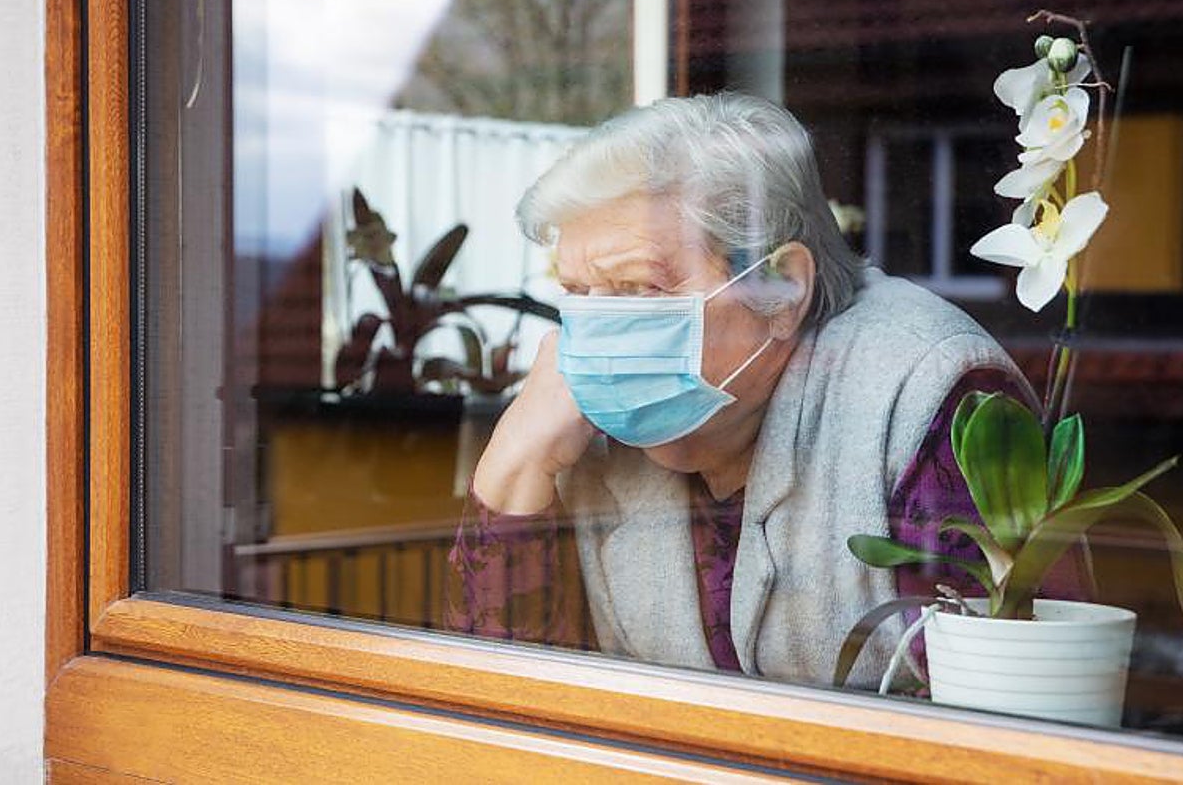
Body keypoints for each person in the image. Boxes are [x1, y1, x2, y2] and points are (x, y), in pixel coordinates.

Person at [444, 92, 1074, 687]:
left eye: (638, 289)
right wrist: (513, 465)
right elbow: (516, 713)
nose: (595, 334)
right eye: (578, 293)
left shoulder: (925, 392)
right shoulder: (584, 422)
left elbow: (1010, 712)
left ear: (780, 289)